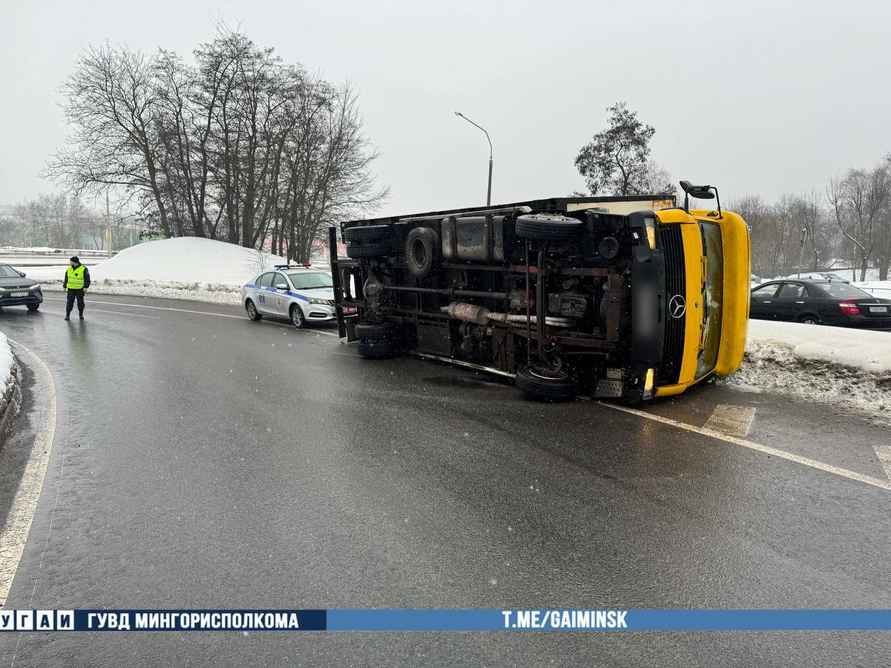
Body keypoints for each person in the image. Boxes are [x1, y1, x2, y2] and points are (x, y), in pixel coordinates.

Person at [63, 256, 91, 320]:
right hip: (71, 289)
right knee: (69, 302)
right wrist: (64, 286)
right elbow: (66, 278)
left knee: (80, 303)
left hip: (80, 289)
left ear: (74, 262)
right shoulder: (69, 269)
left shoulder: (83, 269)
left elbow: (87, 279)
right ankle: (67, 315)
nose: (70, 262)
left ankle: (81, 314)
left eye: (71, 261)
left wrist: (86, 287)